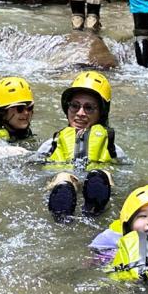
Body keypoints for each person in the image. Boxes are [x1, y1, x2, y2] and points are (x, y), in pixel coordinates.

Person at [36, 70, 124, 219]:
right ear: (67, 108)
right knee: (63, 177)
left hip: (97, 181)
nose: (80, 113)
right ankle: (61, 212)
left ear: (101, 112)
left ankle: (96, 208)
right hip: (63, 179)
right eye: (75, 106)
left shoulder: (113, 149)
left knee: (104, 175)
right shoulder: (50, 145)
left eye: (89, 108)